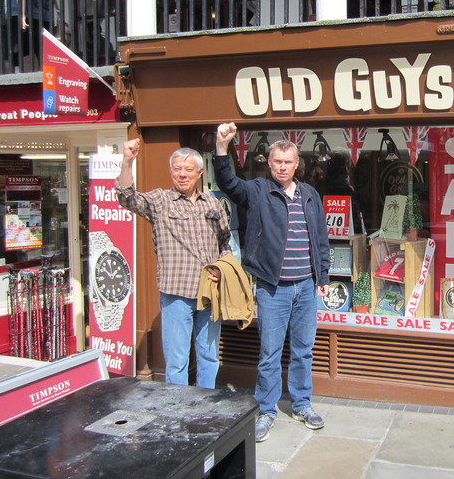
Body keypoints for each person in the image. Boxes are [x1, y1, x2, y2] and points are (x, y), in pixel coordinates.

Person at [214, 122, 330, 443]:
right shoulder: (257, 190)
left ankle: (302, 403)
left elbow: (321, 238)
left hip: (306, 286)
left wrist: (323, 276)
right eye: (277, 161)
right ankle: (266, 410)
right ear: (269, 162)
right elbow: (227, 182)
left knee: (303, 351)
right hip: (272, 287)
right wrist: (222, 147)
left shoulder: (310, 195)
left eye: (288, 162)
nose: (282, 166)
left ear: (296, 164)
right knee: (270, 353)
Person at [116, 138, 231, 389]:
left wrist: (222, 270)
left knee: (209, 357)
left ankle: (205, 402)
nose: (182, 174)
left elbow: (225, 243)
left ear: (200, 173)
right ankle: (177, 407)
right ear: (170, 172)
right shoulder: (160, 201)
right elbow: (127, 198)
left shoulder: (213, 204)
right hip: (176, 294)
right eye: (177, 169)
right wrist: (127, 161)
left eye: (188, 169)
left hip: (209, 293)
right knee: (177, 362)